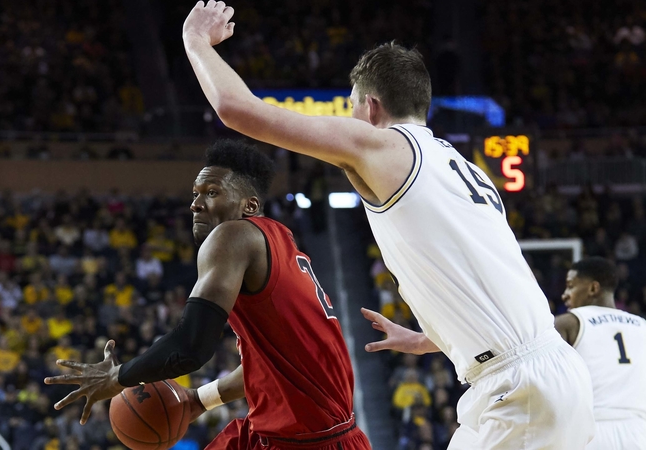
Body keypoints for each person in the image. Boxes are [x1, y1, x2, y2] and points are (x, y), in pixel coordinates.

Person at [181, 2, 594, 448]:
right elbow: (499, 283)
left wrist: (196, 40)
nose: (351, 120)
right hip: (553, 372)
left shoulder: (382, 147)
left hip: (517, 389)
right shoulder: (464, 168)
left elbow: (236, 109)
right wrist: (430, 338)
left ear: (371, 106)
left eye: (352, 107)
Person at [45, 140, 370, 449]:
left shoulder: (233, 235)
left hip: (309, 441)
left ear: (249, 205)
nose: (195, 204)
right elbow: (269, 368)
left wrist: (118, 377)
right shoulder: (278, 238)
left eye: (212, 192)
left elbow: (191, 346)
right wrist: (199, 400)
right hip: (295, 432)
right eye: (195, 193)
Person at [558, 257, 646, 449]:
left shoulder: (568, 323)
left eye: (570, 286)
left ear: (593, 288)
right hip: (641, 436)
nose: (564, 295)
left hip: (592, 433)